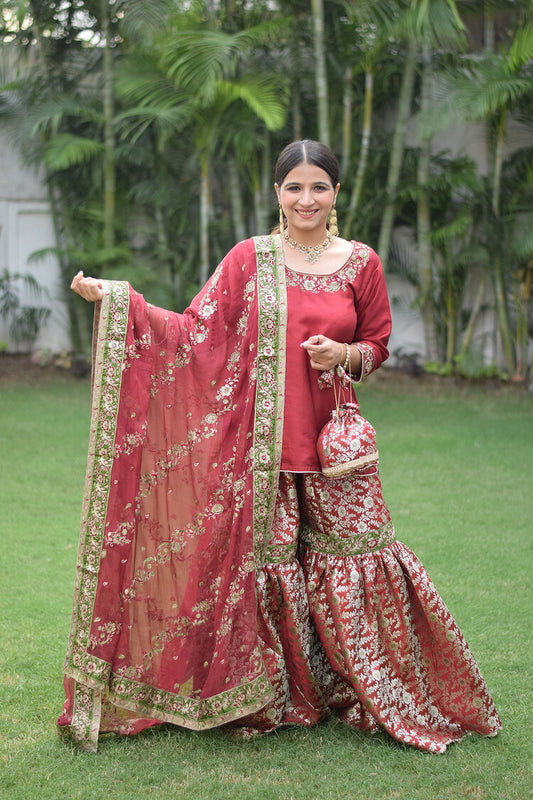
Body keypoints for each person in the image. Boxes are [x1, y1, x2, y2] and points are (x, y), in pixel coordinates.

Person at [58, 140, 501, 753]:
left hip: (335, 448)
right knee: (269, 571)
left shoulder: (362, 263)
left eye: (319, 186)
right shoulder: (249, 259)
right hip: (257, 449)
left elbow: (377, 345)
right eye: (294, 187)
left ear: (337, 193)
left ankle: (378, 689)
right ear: (277, 194)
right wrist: (121, 301)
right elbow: (194, 331)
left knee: (359, 556)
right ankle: (283, 696)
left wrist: (343, 355)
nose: (306, 199)